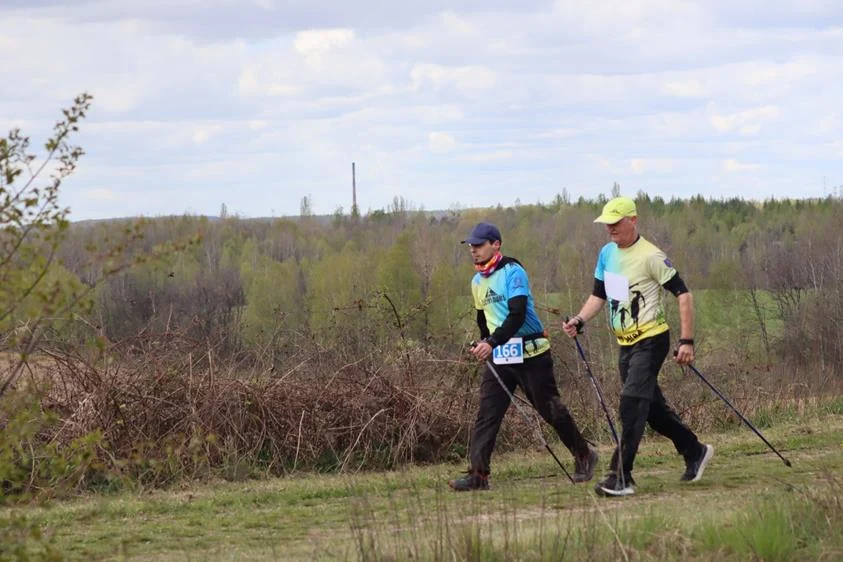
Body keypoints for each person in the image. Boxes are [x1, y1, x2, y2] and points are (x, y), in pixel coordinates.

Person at [562, 197, 713, 497]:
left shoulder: (651, 256)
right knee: (652, 410)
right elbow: (599, 295)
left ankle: (621, 477)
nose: (610, 229)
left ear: (633, 220)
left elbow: (683, 295)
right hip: (626, 345)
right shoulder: (607, 253)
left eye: (615, 223)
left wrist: (686, 341)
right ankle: (694, 450)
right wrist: (579, 319)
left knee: (631, 403)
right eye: (607, 223)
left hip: (652, 340)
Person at [449, 222, 598, 491]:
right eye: (471, 246)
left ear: (496, 245)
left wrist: (492, 342)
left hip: (531, 354)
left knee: (550, 410)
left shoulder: (513, 271)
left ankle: (584, 455)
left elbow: (517, 315)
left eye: (479, 245)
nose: (473, 250)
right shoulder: (476, 281)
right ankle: (478, 475)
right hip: (500, 356)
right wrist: (484, 343)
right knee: (487, 415)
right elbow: (483, 319)